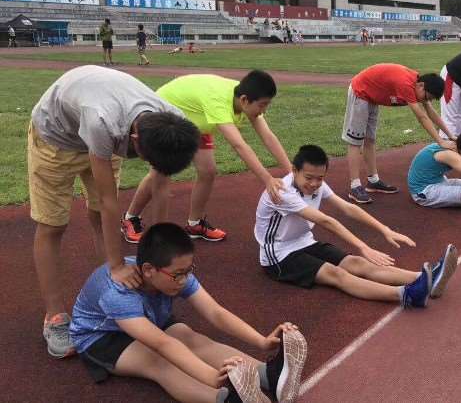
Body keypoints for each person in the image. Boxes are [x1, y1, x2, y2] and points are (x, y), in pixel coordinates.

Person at [28, 65, 200, 358]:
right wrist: (119, 265)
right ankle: (54, 316)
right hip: (57, 138)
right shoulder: (102, 122)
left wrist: (157, 257)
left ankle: (112, 293)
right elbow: (110, 202)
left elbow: (160, 188)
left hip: (105, 126)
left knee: (97, 215)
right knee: (53, 225)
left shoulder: (172, 121)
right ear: (136, 141)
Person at [70, 223, 308, 403]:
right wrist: (212, 377)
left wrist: (262, 341)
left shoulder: (171, 272)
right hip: (102, 337)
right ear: (149, 270)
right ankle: (227, 399)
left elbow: (215, 312)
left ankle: (271, 376)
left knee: (191, 338)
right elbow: (162, 344)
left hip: (149, 317)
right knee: (158, 361)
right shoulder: (117, 293)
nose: (184, 280)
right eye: (178, 274)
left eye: (188, 271)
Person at [255, 145, 459, 306]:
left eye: (320, 178)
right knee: (336, 274)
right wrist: (363, 246)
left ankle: (428, 277)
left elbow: (348, 208)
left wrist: (384, 229)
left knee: (357, 263)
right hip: (278, 255)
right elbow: (325, 221)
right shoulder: (282, 192)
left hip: (304, 242)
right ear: (294, 170)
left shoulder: (317, 183)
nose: (314, 184)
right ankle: (406, 295)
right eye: (309, 178)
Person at [123, 71, 291, 244]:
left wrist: (292, 171)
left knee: (208, 171)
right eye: (262, 105)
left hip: (195, 120)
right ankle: (133, 220)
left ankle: (194, 224)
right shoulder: (218, 102)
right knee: (160, 175)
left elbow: (268, 136)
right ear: (244, 100)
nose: (264, 110)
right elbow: (239, 145)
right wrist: (267, 179)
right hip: (167, 116)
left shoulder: (246, 97)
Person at [342, 63, 453, 204]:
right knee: (355, 140)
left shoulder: (418, 85)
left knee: (370, 140)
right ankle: (355, 186)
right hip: (360, 91)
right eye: (427, 97)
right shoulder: (406, 85)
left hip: (372, 95)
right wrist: (440, 141)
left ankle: (373, 181)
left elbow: (431, 112)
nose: (426, 101)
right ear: (421, 86)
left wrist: (449, 135)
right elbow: (422, 117)